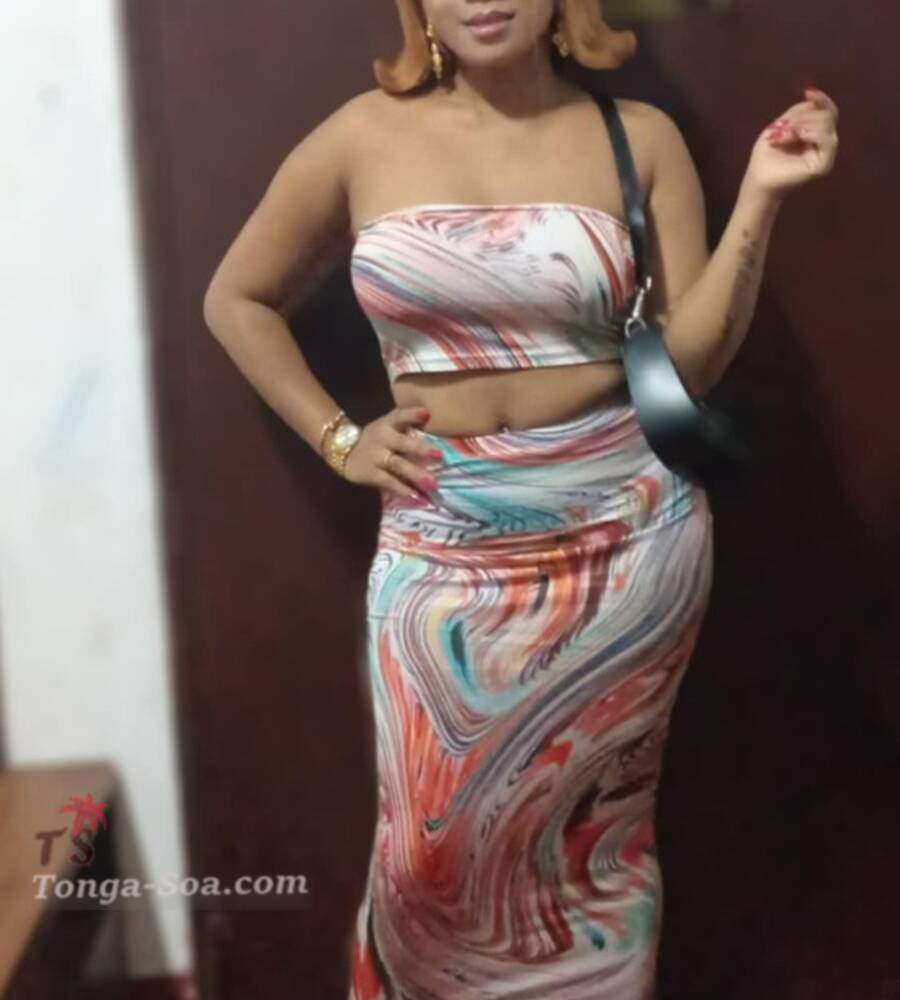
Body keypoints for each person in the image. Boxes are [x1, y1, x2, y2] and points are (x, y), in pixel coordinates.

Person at [202, 1, 838, 996]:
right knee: (423, 862)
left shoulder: (639, 137)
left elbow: (691, 364)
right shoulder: (361, 136)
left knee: (595, 850)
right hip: (440, 537)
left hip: (624, 538)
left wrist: (760, 194)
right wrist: (340, 438)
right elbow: (235, 298)